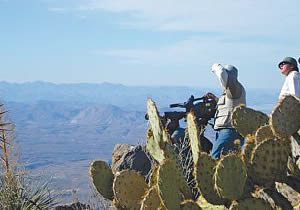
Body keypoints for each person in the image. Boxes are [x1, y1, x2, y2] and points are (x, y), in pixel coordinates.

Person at [205, 64, 246, 159]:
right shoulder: (231, 91)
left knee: (215, 159)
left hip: (230, 131)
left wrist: (215, 66)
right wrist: (215, 99)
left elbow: (222, 73)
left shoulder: (234, 87)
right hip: (227, 130)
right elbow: (230, 104)